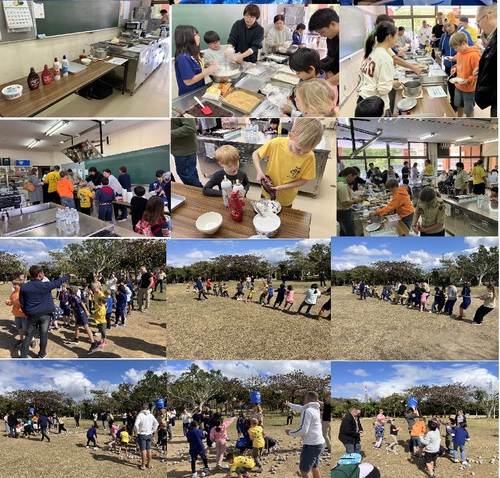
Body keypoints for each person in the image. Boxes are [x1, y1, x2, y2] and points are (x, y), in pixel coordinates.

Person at [252, 118, 322, 208]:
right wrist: (259, 171)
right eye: (298, 149)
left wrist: (281, 188)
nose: (301, 153)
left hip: (287, 197)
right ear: (290, 135)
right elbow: (256, 154)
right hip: (267, 191)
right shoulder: (276, 143)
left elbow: (304, 180)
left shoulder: (310, 157)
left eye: (306, 151)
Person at [19, 266, 74, 359]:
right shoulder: (45, 285)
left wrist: (26, 313)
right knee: (43, 335)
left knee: (28, 336)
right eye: (43, 273)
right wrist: (68, 275)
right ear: (40, 274)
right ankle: (42, 354)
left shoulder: (24, 286)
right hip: (45, 315)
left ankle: (23, 355)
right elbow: (58, 282)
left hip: (32, 315)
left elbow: (22, 302)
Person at [358, 22, 401, 117]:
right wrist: (392, 84)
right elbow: (383, 90)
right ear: (389, 36)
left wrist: (391, 82)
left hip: (363, 100)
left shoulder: (373, 52)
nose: (397, 38)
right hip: (374, 105)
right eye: (396, 35)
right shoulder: (385, 58)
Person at [286, 391, 325, 478]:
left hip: (311, 445)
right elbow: (300, 408)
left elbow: (303, 430)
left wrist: (290, 432)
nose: (303, 399)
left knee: (304, 470)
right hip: (319, 443)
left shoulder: (307, 411)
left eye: (305, 398)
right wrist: (289, 404)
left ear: (307, 399)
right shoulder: (315, 409)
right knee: (315, 467)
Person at [174, 25, 218, 96]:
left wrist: (208, 65)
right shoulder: (183, 57)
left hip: (198, 90)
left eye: (197, 34)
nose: (198, 37)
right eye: (195, 35)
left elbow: (195, 69)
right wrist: (207, 71)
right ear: (187, 38)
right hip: (189, 95)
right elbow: (188, 81)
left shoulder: (192, 53)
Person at [449, 32, 481, 118]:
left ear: (463, 43)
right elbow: (458, 64)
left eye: (456, 47)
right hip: (458, 86)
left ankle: (469, 125)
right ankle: (459, 120)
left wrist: (468, 80)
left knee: (469, 110)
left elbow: (478, 73)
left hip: (469, 90)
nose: (455, 50)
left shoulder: (474, 56)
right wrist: (454, 68)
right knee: (459, 105)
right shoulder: (459, 53)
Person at [475, 5, 497, 117]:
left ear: (487, 16)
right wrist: (483, 68)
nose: (479, 27)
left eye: (478, 22)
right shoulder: (494, 38)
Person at [308, 8, 339, 86]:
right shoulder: (331, 38)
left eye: (322, 32)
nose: (321, 35)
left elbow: (346, 70)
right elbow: (331, 58)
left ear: (333, 24)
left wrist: (325, 84)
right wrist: (316, 65)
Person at [65, 286, 100, 354]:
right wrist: (74, 315)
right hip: (77, 314)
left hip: (81, 313)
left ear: (71, 290)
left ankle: (93, 343)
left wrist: (86, 311)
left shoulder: (75, 297)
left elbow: (82, 303)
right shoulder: (70, 297)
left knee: (86, 327)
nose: (67, 290)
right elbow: (73, 307)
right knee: (76, 326)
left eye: (68, 289)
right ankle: (76, 339)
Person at [171, 118, 203, 188]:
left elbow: (190, 128)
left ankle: (199, 195)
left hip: (184, 149)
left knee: (187, 175)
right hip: (180, 149)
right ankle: (200, 191)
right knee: (191, 173)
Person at [337, 167, 363, 236]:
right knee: (350, 233)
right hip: (344, 213)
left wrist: (353, 198)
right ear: (350, 175)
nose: (353, 180)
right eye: (354, 178)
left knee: (343, 232)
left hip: (340, 213)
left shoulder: (339, 182)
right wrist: (355, 200)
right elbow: (344, 203)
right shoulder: (342, 186)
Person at [135, 404, 159, 470]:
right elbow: (156, 423)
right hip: (149, 434)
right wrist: (152, 431)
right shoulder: (151, 415)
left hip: (142, 434)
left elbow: (136, 425)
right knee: (149, 449)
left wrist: (137, 432)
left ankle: (143, 465)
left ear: (141, 408)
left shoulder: (140, 415)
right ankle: (148, 464)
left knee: (143, 450)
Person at [6, 279, 27, 348]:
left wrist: (17, 302)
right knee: (19, 328)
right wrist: (8, 302)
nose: (14, 286)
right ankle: (21, 340)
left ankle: (31, 340)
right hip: (17, 314)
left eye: (15, 285)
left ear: (20, 285)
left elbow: (26, 303)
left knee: (26, 329)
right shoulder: (13, 293)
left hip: (24, 314)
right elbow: (11, 301)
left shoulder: (24, 292)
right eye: (13, 285)